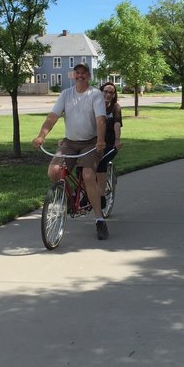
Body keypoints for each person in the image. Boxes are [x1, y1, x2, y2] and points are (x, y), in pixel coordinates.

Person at [32, 63, 109, 240]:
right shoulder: (66, 94)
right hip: (70, 142)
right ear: (73, 75)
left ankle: (99, 220)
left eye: (84, 73)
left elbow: (101, 120)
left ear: (89, 76)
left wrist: (100, 140)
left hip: (90, 142)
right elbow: (53, 117)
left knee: (89, 175)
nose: (80, 75)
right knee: (53, 172)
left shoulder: (95, 94)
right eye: (77, 73)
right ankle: (72, 195)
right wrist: (41, 136)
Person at [97, 81, 122, 208]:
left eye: (111, 92)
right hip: (95, 143)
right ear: (101, 91)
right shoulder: (95, 106)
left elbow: (117, 124)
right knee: (83, 164)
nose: (108, 94)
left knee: (101, 162)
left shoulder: (115, 107)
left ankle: (101, 196)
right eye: (106, 91)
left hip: (110, 144)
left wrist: (117, 140)